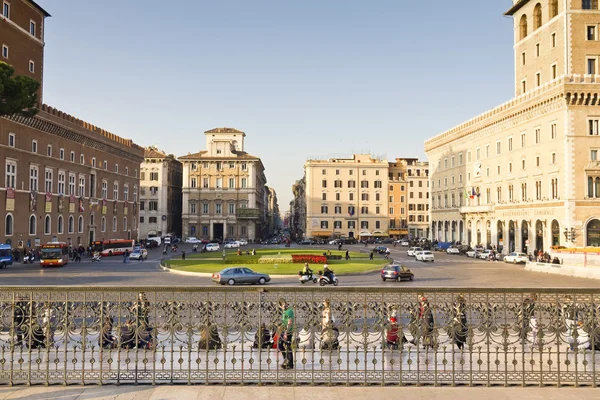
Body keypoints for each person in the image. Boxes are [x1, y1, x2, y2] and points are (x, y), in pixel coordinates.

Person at [278, 298, 295, 369]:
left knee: (288, 346)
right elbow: (284, 322)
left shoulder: (289, 311)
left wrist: (286, 333)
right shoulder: (284, 311)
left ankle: (290, 364)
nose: (282, 307)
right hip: (284, 331)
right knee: (280, 345)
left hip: (288, 331)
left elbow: (289, 322)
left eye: (283, 305)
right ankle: (286, 360)